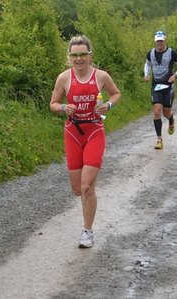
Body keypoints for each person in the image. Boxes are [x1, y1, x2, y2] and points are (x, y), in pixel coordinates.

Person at [49, 35, 120, 248]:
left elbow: (116, 94)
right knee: (78, 189)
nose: (79, 59)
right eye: (74, 55)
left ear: (90, 56)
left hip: (94, 131)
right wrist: (63, 107)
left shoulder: (101, 76)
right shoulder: (63, 78)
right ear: (69, 57)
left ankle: (87, 232)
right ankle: (87, 202)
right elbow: (52, 103)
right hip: (73, 133)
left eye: (82, 55)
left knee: (87, 187)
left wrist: (109, 105)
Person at [144, 31, 177, 150]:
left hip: (168, 86)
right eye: (158, 41)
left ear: (165, 40)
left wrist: (175, 76)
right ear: (155, 41)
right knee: (157, 111)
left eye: (161, 40)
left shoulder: (171, 53)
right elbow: (147, 64)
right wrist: (147, 74)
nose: (159, 43)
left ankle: (171, 120)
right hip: (156, 86)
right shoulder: (150, 53)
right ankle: (159, 139)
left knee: (166, 113)